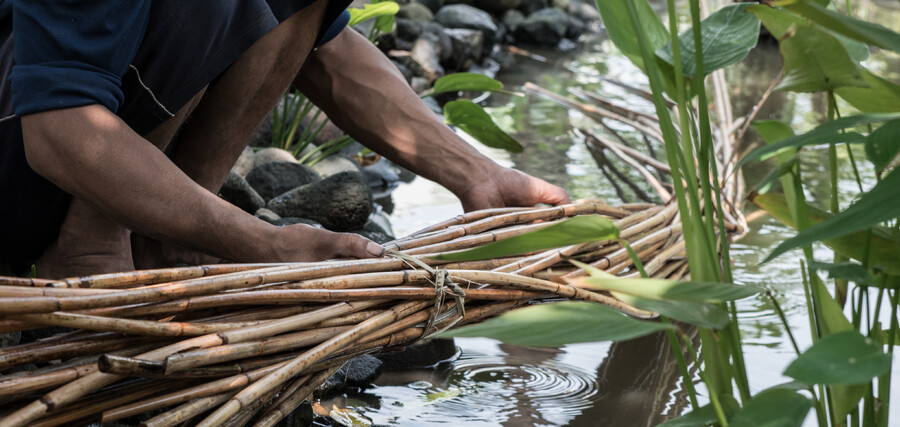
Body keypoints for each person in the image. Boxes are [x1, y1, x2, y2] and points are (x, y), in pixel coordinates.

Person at [0, 0, 569, 279]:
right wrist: (265, 244)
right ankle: (91, 247)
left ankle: (169, 242)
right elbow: (59, 128)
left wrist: (479, 175)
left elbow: (326, 51)